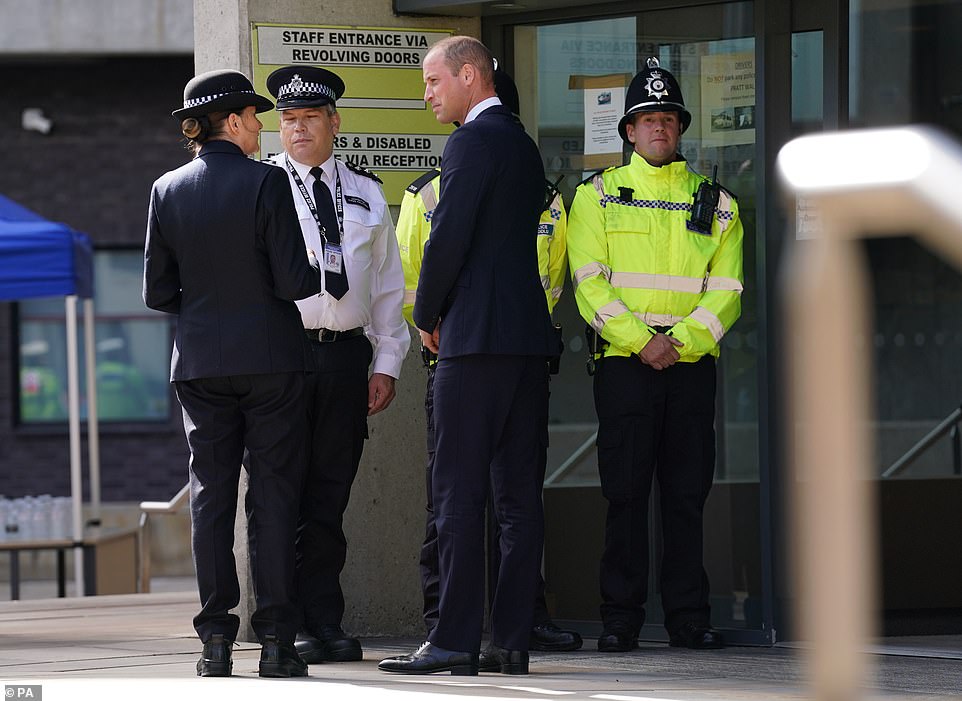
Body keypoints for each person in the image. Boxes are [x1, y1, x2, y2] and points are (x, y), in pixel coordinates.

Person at [378, 35, 556, 677]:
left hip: (473, 342)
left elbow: (449, 236)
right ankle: (511, 639)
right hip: (526, 342)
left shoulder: (471, 142)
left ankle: (452, 638)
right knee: (518, 497)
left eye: (432, 81)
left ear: (471, 76)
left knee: (455, 492)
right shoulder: (523, 144)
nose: (425, 93)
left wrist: (426, 317)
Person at [143, 69, 320, 678]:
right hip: (271, 359)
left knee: (211, 498)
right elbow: (299, 282)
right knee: (272, 496)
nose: (262, 127)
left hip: (198, 362)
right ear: (238, 120)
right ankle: (275, 641)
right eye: (257, 117)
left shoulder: (166, 189)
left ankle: (215, 641)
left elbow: (157, 292)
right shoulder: (268, 182)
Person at [566, 57, 743, 652]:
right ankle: (620, 620)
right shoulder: (597, 197)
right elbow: (589, 283)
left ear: (680, 127)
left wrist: (680, 344)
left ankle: (687, 618)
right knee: (625, 495)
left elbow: (728, 292)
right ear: (628, 132)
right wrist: (645, 342)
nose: (659, 127)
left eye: (668, 117)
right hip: (625, 366)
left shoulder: (716, 202)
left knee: (686, 496)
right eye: (647, 118)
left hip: (690, 368)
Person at [262, 65, 409, 665]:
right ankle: (285, 623)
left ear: (334, 123)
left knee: (329, 496)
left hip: (346, 357)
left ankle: (325, 620)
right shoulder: (262, 185)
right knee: (283, 496)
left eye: (310, 118)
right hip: (283, 358)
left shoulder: (367, 191)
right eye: (288, 120)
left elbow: (386, 286)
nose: (298, 130)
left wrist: (388, 360)